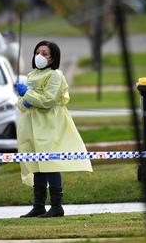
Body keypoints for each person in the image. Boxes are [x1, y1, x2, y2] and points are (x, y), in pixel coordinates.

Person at [14, 41, 92, 218]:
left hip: (49, 124)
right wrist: (23, 98)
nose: (39, 56)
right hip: (32, 126)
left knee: (50, 163)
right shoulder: (32, 75)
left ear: (53, 58)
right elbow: (23, 105)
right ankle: (39, 205)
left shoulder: (55, 75)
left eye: (45, 53)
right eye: (38, 52)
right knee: (37, 164)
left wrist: (27, 94)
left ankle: (57, 206)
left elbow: (48, 101)